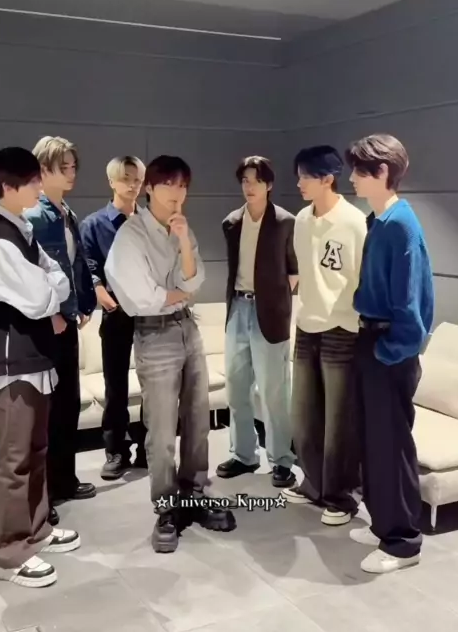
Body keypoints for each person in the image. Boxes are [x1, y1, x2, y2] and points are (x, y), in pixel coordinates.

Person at [105, 155, 235, 553]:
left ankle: (193, 492)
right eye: (168, 185)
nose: (177, 193)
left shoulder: (181, 227)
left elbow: (194, 279)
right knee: (161, 430)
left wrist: (182, 244)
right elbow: (141, 297)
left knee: (198, 418)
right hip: (154, 334)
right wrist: (176, 294)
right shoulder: (131, 235)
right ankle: (165, 506)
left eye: (183, 186)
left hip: (187, 328)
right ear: (150, 188)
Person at [0, 147, 81, 588]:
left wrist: (50, 287)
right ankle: (8, 553)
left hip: (34, 359)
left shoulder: (21, 229)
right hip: (12, 361)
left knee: (36, 450)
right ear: (8, 187)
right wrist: (50, 288)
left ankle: (36, 530)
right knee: (13, 458)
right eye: (32, 180)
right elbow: (41, 297)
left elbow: (59, 277)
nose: (40, 186)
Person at [345, 134, 434, 574]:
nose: (352, 178)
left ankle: (402, 542)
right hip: (371, 341)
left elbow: (412, 306)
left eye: (359, 170)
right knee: (372, 442)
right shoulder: (378, 221)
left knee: (392, 445)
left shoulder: (401, 224)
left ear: (382, 172)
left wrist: (388, 350)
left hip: (389, 349)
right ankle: (384, 523)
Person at [283, 146, 367, 527]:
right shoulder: (302, 219)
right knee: (304, 416)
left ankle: (340, 497)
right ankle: (313, 484)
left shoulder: (353, 222)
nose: (299, 183)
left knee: (338, 422)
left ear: (328, 179)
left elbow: (360, 277)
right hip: (307, 326)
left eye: (306, 176)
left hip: (342, 329)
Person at [25, 137, 97, 525]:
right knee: (47, 412)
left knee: (67, 405)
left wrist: (81, 305)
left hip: (66, 320)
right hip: (44, 325)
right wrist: (52, 312)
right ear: (43, 169)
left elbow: (74, 263)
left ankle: (64, 480)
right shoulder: (34, 215)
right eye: (62, 167)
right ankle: (44, 494)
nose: (71, 173)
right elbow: (32, 273)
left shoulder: (65, 211)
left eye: (72, 167)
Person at [216, 156, 298, 487]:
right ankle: (243, 455)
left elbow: (294, 270)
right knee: (236, 388)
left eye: (256, 181)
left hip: (270, 312)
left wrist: (276, 299)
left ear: (269, 185)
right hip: (237, 307)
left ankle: (281, 460)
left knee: (274, 391)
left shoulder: (285, 222)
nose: (249, 187)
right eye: (245, 181)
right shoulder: (231, 222)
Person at [80, 155, 148, 480]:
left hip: (149, 312)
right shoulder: (93, 224)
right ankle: (116, 451)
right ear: (111, 182)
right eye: (126, 179)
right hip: (116, 311)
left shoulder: (151, 221)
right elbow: (88, 265)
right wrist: (99, 292)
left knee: (152, 386)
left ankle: (148, 448)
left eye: (137, 180)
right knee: (116, 385)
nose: (133, 185)